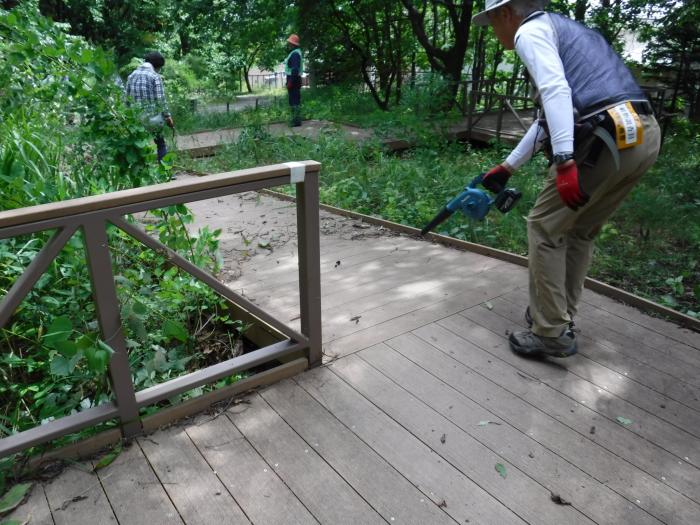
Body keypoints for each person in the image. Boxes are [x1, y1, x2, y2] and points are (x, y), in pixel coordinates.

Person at [472, 0, 660, 358]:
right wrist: (509, 165)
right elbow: (552, 116)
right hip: (641, 135)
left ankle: (550, 331)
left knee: (545, 227)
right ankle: (558, 317)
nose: (494, 33)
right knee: (579, 230)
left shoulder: (530, 31)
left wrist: (564, 162)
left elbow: (556, 92)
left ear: (505, 13)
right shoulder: (569, 31)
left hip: (601, 143)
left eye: (491, 22)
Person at [126, 51, 175, 162]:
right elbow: (161, 100)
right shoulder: (155, 76)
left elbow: (127, 100)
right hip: (153, 120)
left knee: (139, 146)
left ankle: (142, 172)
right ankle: (165, 172)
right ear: (157, 66)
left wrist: (127, 118)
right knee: (160, 143)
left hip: (136, 120)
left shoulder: (131, 76)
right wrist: (168, 117)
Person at [284, 34, 303, 127]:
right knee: (294, 100)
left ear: (292, 44)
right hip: (294, 79)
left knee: (294, 101)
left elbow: (295, 69)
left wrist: (290, 82)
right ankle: (295, 120)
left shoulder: (295, 54)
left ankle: (296, 121)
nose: (288, 44)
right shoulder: (295, 53)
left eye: (289, 43)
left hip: (294, 79)